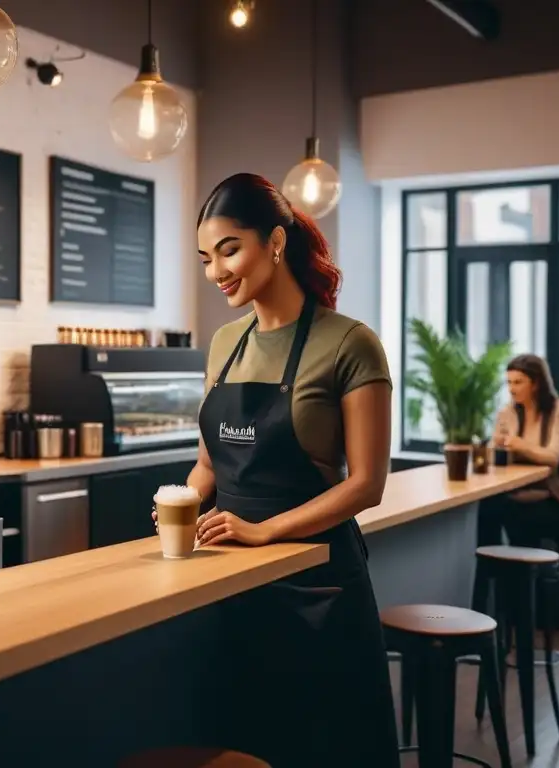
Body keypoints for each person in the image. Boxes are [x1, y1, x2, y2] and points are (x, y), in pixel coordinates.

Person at [154, 173, 400, 766]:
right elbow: (208, 466)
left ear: (277, 243)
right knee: (248, 745)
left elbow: (367, 483)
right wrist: (179, 510)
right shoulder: (224, 342)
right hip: (234, 587)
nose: (216, 272)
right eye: (206, 257)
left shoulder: (350, 344)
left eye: (230, 249)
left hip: (319, 585)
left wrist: (263, 530)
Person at [482, 354, 559, 548]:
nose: (511, 389)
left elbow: (555, 457)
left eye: (518, 382)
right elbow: (494, 455)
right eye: (509, 383)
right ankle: (490, 570)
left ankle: (520, 574)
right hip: (525, 492)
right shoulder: (507, 412)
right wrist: (493, 447)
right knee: (488, 506)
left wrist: (520, 445)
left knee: (514, 516)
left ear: (536, 383)